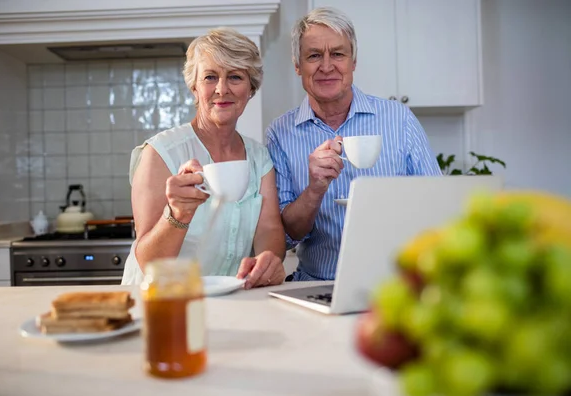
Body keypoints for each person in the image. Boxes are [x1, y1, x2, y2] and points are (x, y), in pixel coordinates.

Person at [266, 7, 442, 281]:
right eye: (314, 56)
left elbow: (436, 204)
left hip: (392, 285)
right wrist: (314, 189)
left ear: (353, 62)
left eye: (338, 54)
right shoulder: (280, 132)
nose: (326, 66)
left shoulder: (399, 118)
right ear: (297, 65)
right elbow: (287, 237)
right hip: (316, 284)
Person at [122, 27, 286, 289]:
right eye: (210, 77)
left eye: (235, 77)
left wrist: (269, 261)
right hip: (162, 304)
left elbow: (269, 230)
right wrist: (178, 214)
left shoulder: (259, 158)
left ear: (251, 88)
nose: (222, 89)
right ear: (194, 88)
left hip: (229, 301)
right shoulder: (160, 153)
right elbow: (149, 263)